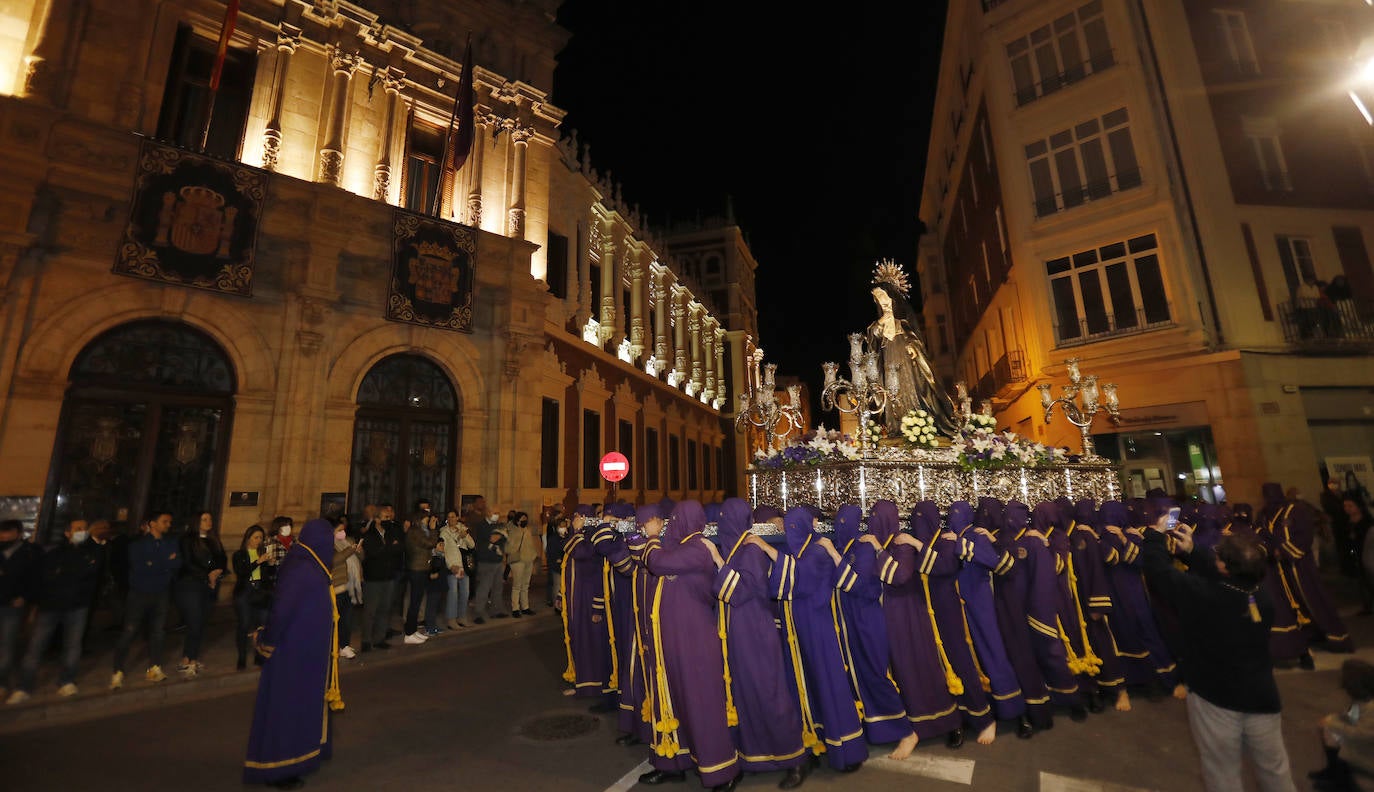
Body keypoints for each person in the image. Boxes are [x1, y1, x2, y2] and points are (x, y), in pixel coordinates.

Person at [1141, 501, 1297, 792]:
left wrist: (1154, 536)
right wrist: (1191, 553)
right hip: (1262, 697)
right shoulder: (1259, 595)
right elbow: (1224, 577)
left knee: (1222, 772)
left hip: (1216, 698)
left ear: (1224, 566)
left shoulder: (1204, 596)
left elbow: (1161, 574)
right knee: (1275, 770)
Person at [708, 497, 813, 788]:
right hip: (735, 636)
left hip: (755, 634)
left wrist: (718, 563)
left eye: (725, 517)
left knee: (769, 695)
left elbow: (741, 593)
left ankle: (795, 758)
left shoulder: (750, 550)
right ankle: (748, 758)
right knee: (742, 697)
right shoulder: (733, 549)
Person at [636, 499, 740, 790]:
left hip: (693, 641)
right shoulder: (681, 546)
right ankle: (672, 761)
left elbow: (657, 562)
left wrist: (653, 537)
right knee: (672, 700)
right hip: (672, 640)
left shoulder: (699, 547)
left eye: (675, 518)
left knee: (701, 703)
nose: (671, 523)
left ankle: (722, 771)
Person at [243, 518, 344, 790]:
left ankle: (301, 758)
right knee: (286, 711)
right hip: (291, 654)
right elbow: (282, 611)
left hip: (309, 654)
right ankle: (279, 768)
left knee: (303, 710)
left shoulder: (315, 566)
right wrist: (267, 641)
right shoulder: (301, 568)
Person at [831, 502, 918, 757]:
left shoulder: (865, 549)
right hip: (850, 621)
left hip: (867, 620)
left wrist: (836, 560)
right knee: (861, 676)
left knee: (876, 675)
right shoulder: (845, 547)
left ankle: (907, 732)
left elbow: (860, 586)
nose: (840, 526)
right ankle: (881, 729)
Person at [8, 519, 103, 702]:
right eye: (78, 529)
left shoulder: (92, 551)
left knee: (72, 646)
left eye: (84, 528)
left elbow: (88, 573)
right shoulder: (54, 552)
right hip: (51, 606)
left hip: (77, 606)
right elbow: (45, 577)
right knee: (36, 647)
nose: (82, 531)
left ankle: (66, 680)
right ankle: (24, 686)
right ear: (68, 532)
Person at [867, 260, 958, 436]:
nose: (882, 301)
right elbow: (872, 349)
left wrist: (913, 347)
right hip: (888, 364)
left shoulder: (905, 323)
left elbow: (916, 342)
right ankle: (897, 427)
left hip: (908, 365)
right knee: (893, 393)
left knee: (910, 390)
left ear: (893, 296)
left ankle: (918, 424)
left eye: (885, 296)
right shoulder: (877, 326)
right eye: (878, 298)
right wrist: (878, 326)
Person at [110, 509, 182, 689]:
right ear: (153, 523)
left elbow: (177, 563)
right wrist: (164, 562)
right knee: (129, 631)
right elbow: (142, 568)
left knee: (158, 631)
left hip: (162, 592)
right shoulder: (137, 545)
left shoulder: (171, 543)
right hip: (139, 593)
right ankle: (118, 669)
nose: (168, 525)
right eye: (165, 521)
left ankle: (154, 667)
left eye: (169, 522)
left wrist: (158, 563)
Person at [175, 511, 227, 677]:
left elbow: (220, 559)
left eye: (210, 519)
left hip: (208, 585)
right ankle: (186, 659)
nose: (208, 522)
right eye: (204, 519)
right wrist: (207, 574)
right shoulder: (188, 540)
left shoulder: (213, 540)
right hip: (191, 584)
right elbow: (188, 563)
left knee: (202, 621)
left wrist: (217, 571)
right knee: (194, 622)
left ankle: (193, 658)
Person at [1309, 658, 1374, 791]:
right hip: (1364, 745)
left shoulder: (1371, 707)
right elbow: (1352, 719)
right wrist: (1334, 720)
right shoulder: (1362, 700)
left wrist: (1334, 722)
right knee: (1329, 728)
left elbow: (1361, 734)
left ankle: (1342, 780)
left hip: (1368, 753)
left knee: (1332, 730)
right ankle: (1334, 773)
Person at [0, 519, 41, 701]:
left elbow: (35, 579)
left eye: (7, 532)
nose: (3, 536)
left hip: (12, 607)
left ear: (17, 533)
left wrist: (25, 597)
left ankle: (2, 683)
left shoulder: (30, 552)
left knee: (7, 646)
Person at [358, 504, 403, 651]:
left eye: (389, 517)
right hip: (374, 578)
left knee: (385, 608)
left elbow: (398, 548)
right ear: (377, 519)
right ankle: (366, 640)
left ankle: (379, 638)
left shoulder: (390, 533)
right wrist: (390, 547)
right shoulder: (369, 535)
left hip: (388, 576)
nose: (388, 520)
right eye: (385, 517)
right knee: (370, 610)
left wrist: (388, 547)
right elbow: (373, 553)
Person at [233, 525, 275, 670]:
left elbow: (269, 574)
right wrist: (258, 562)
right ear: (248, 538)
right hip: (245, 591)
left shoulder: (262, 553)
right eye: (256, 537)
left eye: (261, 538)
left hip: (261, 592)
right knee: (244, 624)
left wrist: (270, 564)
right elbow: (241, 572)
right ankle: (242, 657)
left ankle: (259, 655)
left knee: (261, 624)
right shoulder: (240, 554)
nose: (259, 540)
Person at [402, 505, 438, 644]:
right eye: (426, 519)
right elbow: (430, 543)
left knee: (417, 601)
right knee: (415, 601)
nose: (428, 521)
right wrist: (433, 530)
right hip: (416, 569)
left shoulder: (421, 531)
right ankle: (409, 633)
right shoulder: (415, 532)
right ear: (420, 519)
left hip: (422, 567)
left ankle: (413, 630)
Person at [328, 517, 359, 658]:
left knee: (347, 619)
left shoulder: (346, 542)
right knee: (335, 620)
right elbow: (334, 560)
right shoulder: (328, 546)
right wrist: (349, 550)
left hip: (348, 586)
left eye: (343, 530)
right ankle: (332, 646)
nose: (342, 533)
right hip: (336, 588)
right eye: (339, 530)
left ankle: (344, 645)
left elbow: (358, 560)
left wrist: (357, 550)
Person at [440, 509, 473, 629]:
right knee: (453, 593)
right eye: (449, 517)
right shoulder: (444, 533)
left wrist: (465, 536)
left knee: (465, 592)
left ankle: (462, 617)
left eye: (453, 517)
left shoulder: (463, 529)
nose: (451, 519)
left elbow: (472, 545)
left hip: (464, 565)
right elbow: (443, 551)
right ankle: (451, 619)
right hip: (453, 565)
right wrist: (450, 565)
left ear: (457, 517)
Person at [506, 511, 541, 617]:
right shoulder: (511, 530)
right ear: (517, 520)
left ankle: (525, 607)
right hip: (517, 560)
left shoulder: (527, 530)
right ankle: (515, 608)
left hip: (528, 559)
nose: (524, 521)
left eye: (526, 519)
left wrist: (534, 556)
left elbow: (530, 544)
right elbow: (510, 546)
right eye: (522, 519)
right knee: (517, 585)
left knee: (525, 585)